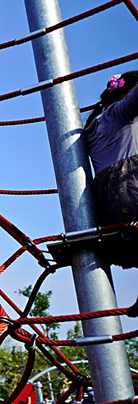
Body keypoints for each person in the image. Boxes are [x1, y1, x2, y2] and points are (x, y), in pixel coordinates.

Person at [83, 71, 138, 261]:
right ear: (130, 92)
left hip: (109, 207)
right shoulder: (121, 113)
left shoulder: (96, 122)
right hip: (131, 191)